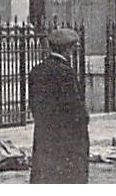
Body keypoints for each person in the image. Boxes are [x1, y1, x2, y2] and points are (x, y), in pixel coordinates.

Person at [28, 27, 89, 183]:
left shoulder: (36, 70)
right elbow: (75, 107)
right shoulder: (65, 72)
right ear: (67, 50)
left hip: (44, 133)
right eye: (73, 49)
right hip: (66, 136)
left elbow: (33, 104)